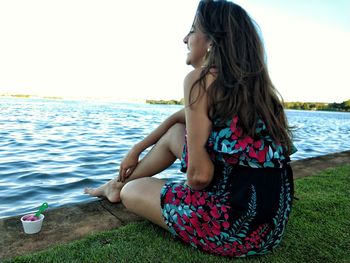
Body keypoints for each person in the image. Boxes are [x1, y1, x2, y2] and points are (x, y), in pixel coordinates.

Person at [85, 0, 296, 257]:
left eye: (193, 29)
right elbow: (180, 118)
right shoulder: (258, 91)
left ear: (211, 41)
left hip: (234, 231)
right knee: (176, 134)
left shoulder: (199, 79)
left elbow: (199, 178)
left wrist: (177, 179)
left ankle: (120, 187)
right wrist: (138, 147)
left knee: (133, 191)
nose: (185, 38)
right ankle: (113, 184)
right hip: (270, 229)